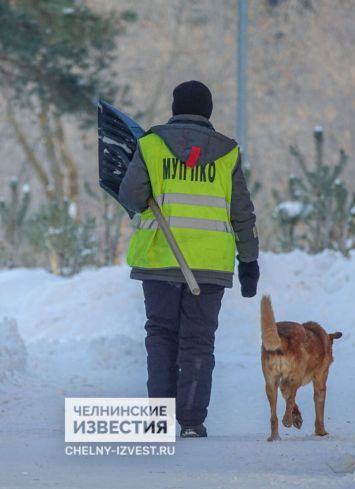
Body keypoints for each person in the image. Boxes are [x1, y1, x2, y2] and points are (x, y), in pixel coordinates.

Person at [118, 80, 259, 438]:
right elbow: (242, 212)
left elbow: (133, 196)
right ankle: (192, 421)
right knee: (198, 340)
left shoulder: (150, 146)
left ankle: (159, 419)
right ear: (208, 111)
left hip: (159, 258)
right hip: (210, 265)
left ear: (174, 107)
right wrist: (249, 262)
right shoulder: (227, 153)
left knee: (162, 335)